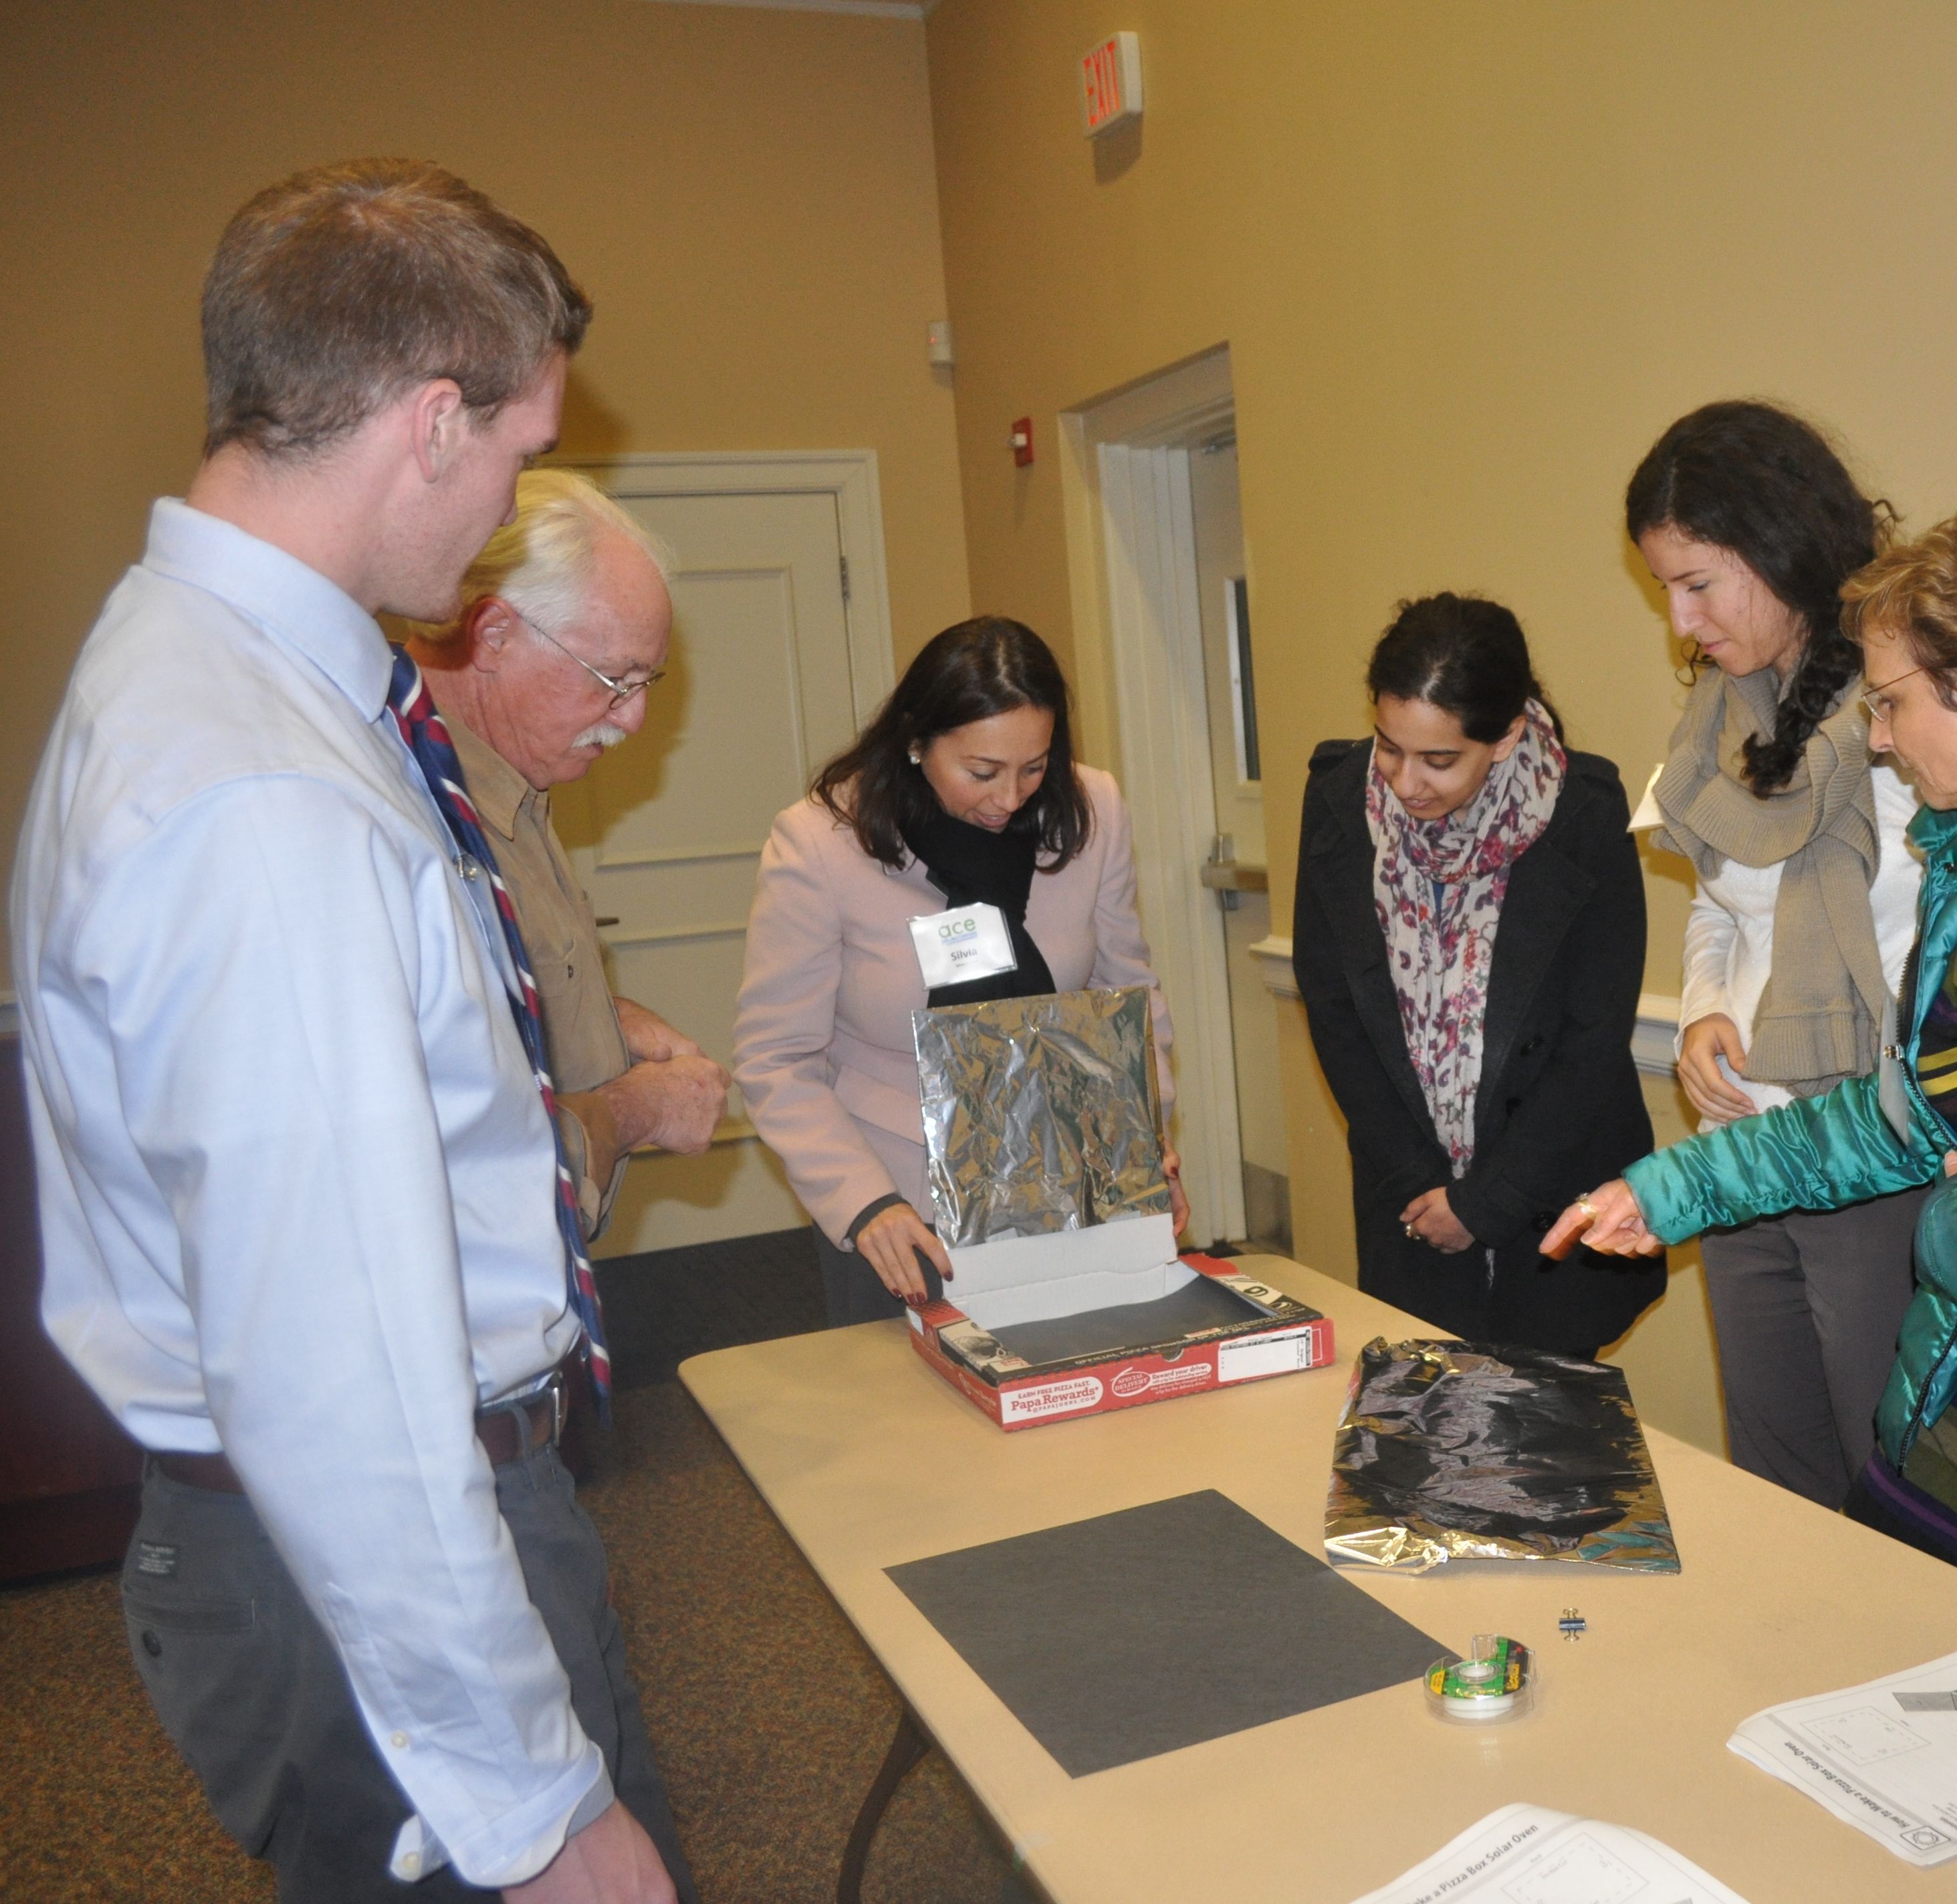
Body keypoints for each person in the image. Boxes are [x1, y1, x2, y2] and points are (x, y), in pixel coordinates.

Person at [11, 161, 687, 1899]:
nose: (512, 505)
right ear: (432, 421)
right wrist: (539, 1816)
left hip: (369, 1535)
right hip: (357, 1567)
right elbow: (337, 1387)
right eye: (526, 456)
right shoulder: (257, 790)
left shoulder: (226, 676)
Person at [1550, 509, 1957, 1631]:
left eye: (1888, 701)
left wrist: (1952, 1232)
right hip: (1953, 1419)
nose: (1878, 737)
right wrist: (1664, 1191)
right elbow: (1897, 1117)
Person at [1623, 400, 1928, 1508]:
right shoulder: (1717, 719)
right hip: (1742, 1143)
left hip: (1872, 1150)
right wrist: (1705, 1006)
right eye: (1663, 585)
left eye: (1697, 581)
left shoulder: (1906, 708)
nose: (1678, 619)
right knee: (1778, 1483)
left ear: (1779, 544)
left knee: (1891, 1485)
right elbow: (1719, 907)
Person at [736, 616, 1183, 1324]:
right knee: (910, 1418)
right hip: (901, 1199)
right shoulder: (821, 845)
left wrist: (1143, 1136)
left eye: (1033, 767)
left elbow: (1124, 993)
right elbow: (776, 1058)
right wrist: (865, 1202)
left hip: (1070, 1173)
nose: (1009, 799)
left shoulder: (1091, 808)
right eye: (982, 772)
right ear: (916, 741)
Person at [1292, 593, 1658, 1356]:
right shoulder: (1335, 801)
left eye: (1439, 759)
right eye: (1389, 746)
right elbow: (1333, 1007)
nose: (1403, 782)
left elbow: (1592, 1038)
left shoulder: (1582, 814)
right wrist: (1421, 1185)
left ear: (1507, 735)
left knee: (1545, 1433)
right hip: (1410, 1193)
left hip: (1550, 1187)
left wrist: (1486, 1202)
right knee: (1425, 1420)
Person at [403, 468, 729, 1236]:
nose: (637, 716)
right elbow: (456, 1166)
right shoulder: (402, 819)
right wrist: (639, 1108)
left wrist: (596, 1019)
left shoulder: (516, 778)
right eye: (611, 678)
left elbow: (473, 1012)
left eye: (647, 679)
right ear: (493, 635)